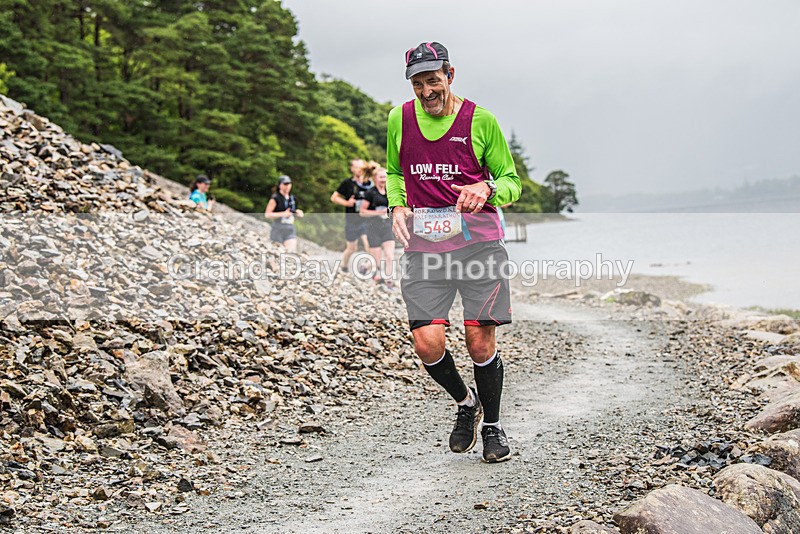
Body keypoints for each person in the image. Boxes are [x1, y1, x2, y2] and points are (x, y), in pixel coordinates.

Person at [387, 42, 521, 463]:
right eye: (417, 83)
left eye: (433, 80)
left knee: (479, 341)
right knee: (426, 343)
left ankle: (494, 428)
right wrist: (398, 205)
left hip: (479, 244)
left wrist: (487, 187)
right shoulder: (399, 119)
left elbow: (511, 181)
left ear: (450, 74)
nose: (426, 91)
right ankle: (467, 404)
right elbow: (394, 171)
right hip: (425, 248)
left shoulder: (481, 120)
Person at [331, 159, 373, 271]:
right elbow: (334, 197)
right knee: (351, 248)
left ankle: (365, 266)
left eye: (361, 167)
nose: (359, 170)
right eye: (356, 167)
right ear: (352, 169)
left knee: (369, 245)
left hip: (366, 220)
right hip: (352, 220)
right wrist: (346, 203)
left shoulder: (369, 183)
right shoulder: (347, 183)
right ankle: (344, 266)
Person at [359, 162, 396, 288]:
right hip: (373, 227)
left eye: (385, 177)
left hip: (387, 227)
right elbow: (362, 212)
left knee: (390, 256)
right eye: (381, 177)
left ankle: (389, 280)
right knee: (377, 259)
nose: (383, 179)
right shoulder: (370, 193)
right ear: (375, 178)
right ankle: (367, 268)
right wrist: (378, 212)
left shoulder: (391, 192)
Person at [264, 175, 304, 253]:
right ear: (280, 185)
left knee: (290, 253)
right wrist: (282, 214)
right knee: (277, 254)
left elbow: (291, 211)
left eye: (289, 184)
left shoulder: (292, 198)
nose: (287, 186)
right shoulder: (275, 198)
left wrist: (298, 212)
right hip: (278, 228)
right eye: (285, 184)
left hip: (289, 228)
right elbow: (267, 214)